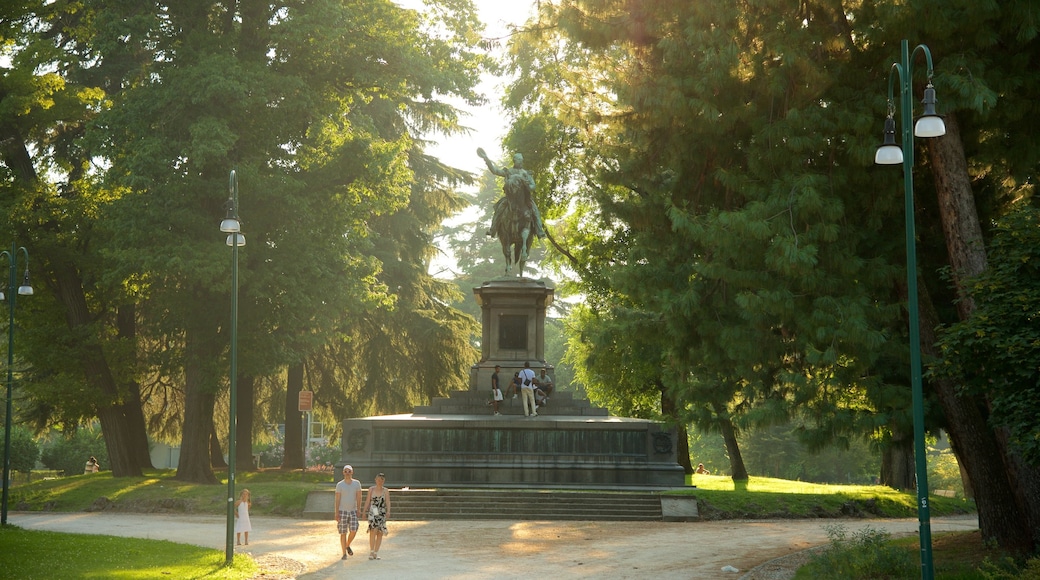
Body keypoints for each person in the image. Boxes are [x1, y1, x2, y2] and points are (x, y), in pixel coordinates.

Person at [335, 465, 363, 559]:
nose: (347, 473)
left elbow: (359, 497)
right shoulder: (340, 485)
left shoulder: (356, 483)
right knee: (343, 532)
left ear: (352, 472)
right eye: (346, 471)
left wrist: (359, 509)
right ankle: (344, 553)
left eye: (349, 471)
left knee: (354, 530)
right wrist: (336, 512)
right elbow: (337, 499)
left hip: (353, 510)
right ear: (343, 473)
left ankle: (347, 544)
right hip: (342, 510)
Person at [362, 472, 391, 560]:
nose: (379, 481)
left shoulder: (385, 490)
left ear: (384, 481)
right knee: (373, 530)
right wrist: (364, 511)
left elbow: (388, 502)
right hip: (373, 511)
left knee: (380, 532)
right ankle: (371, 551)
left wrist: (388, 511)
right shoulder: (371, 489)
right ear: (375, 480)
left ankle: (376, 552)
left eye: (381, 480)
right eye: (378, 479)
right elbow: (367, 501)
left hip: (381, 512)